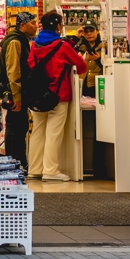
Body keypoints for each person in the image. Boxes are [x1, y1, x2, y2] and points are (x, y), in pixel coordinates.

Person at [27, 12, 87, 182]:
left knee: (37, 131)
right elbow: (81, 66)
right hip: (58, 95)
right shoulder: (62, 46)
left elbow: (31, 63)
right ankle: (50, 170)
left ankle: (35, 168)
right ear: (59, 26)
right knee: (53, 133)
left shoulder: (35, 45)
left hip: (38, 95)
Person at [0, 11, 38, 166]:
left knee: (17, 126)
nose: (35, 26)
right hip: (13, 92)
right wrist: (17, 97)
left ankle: (15, 162)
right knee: (16, 128)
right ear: (23, 25)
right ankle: (15, 162)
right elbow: (13, 70)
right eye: (32, 23)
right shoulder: (15, 42)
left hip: (14, 91)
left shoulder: (20, 40)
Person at [76, 21, 104, 97]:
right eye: (86, 32)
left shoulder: (104, 48)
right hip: (82, 88)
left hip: (98, 87)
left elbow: (109, 69)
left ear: (97, 31)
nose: (89, 34)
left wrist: (98, 60)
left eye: (91, 31)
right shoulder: (81, 48)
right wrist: (76, 37)